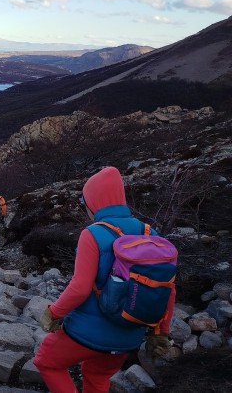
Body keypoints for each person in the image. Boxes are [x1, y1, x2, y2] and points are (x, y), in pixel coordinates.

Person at [32, 167, 175, 393]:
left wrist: (54, 313)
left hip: (87, 333)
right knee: (96, 376)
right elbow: (167, 289)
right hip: (129, 335)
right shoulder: (150, 233)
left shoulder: (92, 233)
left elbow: (79, 288)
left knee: (47, 362)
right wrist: (160, 333)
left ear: (94, 202)